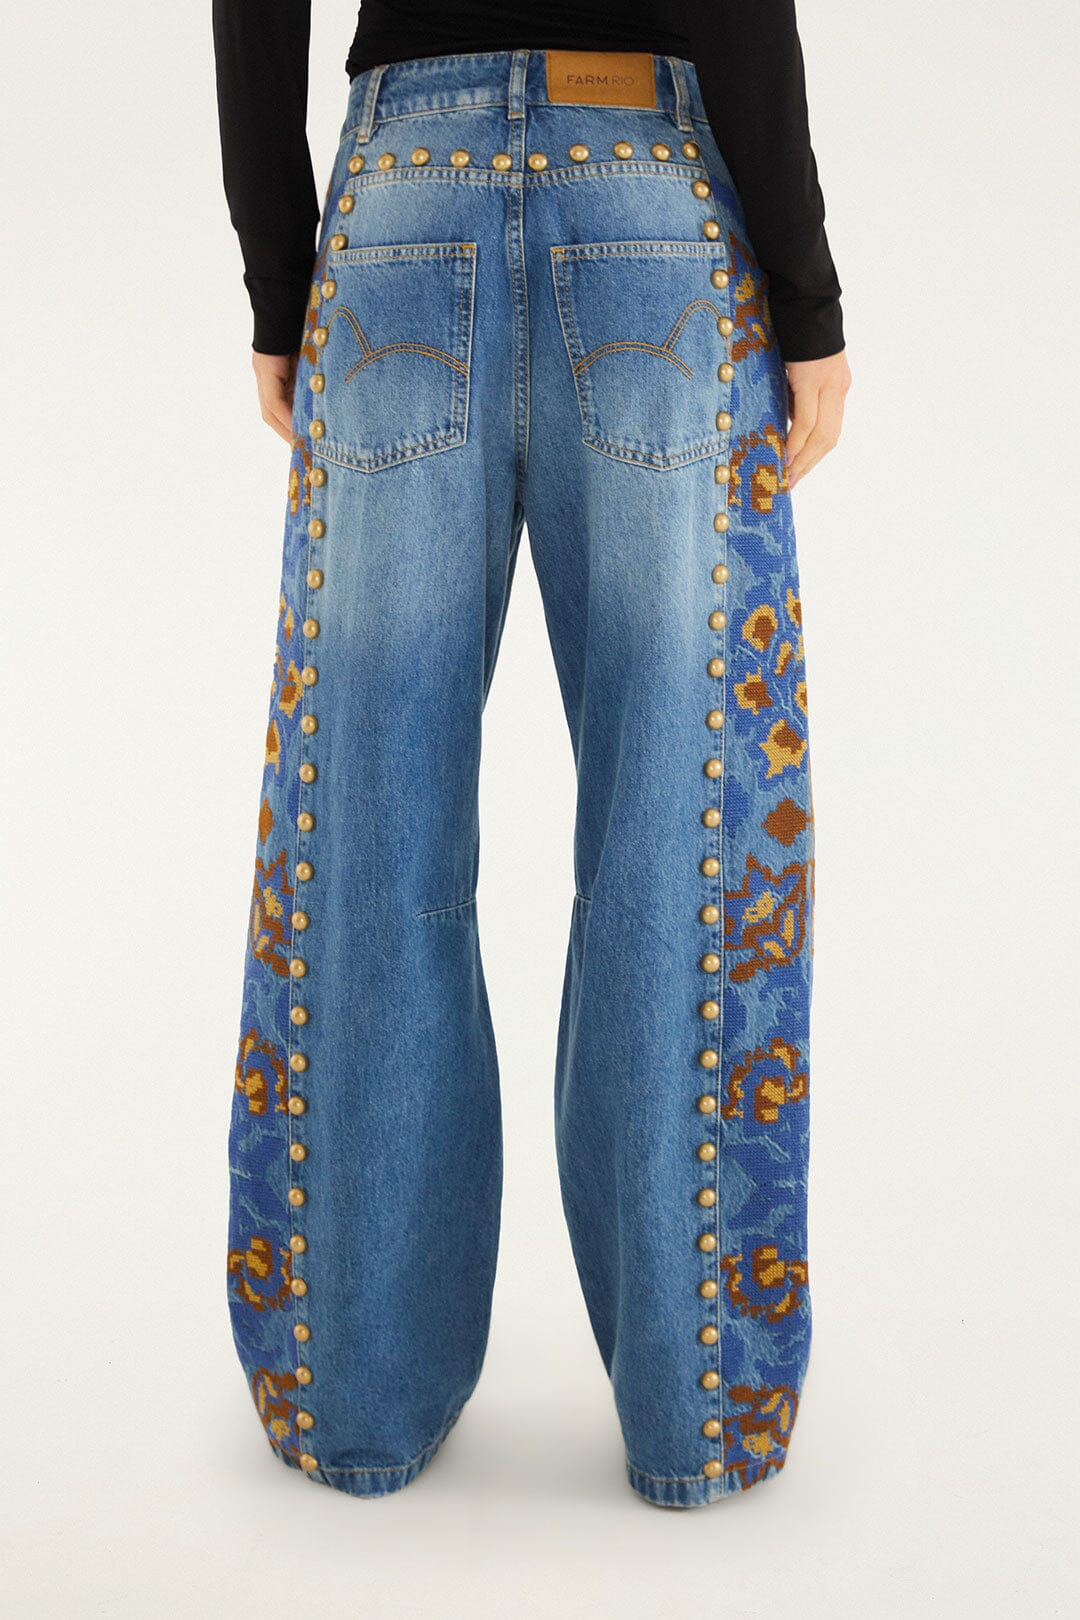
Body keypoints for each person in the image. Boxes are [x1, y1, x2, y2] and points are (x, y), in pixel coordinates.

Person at [214, 0, 850, 1508]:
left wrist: (280, 277)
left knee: (364, 821)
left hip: (400, 203)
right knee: (684, 826)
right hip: (653, 192)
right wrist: (806, 291)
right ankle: (702, 1412)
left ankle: (349, 1391)